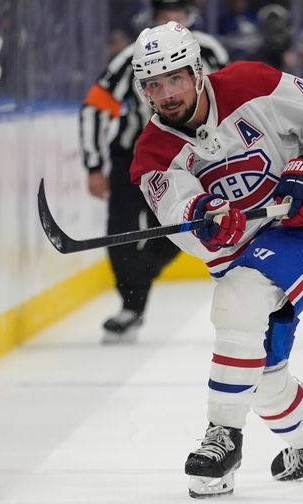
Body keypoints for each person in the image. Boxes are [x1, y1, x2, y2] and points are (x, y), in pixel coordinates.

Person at [129, 21, 303, 498]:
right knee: (256, 372)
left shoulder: (252, 84)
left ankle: (224, 438)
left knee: (237, 301)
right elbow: (181, 216)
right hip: (241, 254)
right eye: (154, 84)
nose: (166, 93)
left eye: (174, 78)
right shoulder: (153, 154)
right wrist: (205, 218)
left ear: (197, 72)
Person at [79, 0, 228, 343]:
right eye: (165, 16)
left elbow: (230, 100)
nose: (172, 21)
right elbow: (95, 106)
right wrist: (93, 164)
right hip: (133, 158)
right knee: (121, 230)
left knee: (178, 229)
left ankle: (137, 283)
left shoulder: (210, 51)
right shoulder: (131, 57)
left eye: (178, 15)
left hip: (185, 160)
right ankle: (132, 306)